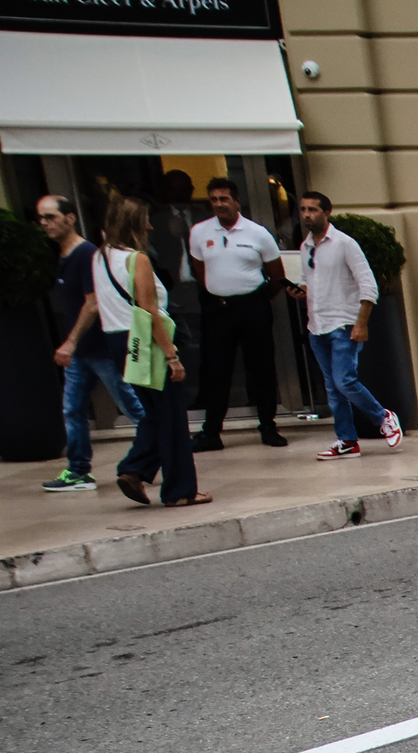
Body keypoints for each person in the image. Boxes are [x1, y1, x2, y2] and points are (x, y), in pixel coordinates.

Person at [95, 193, 203, 507]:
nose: (150, 226)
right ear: (133, 223)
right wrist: (171, 355)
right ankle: (180, 490)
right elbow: (148, 310)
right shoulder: (136, 259)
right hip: (144, 338)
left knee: (154, 413)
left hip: (118, 340)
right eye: (145, 220)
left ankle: (135, 468)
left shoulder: (100, 256)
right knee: (171, 416)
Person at [35, 194, 146, 494]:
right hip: (81, 352)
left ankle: (162, 452)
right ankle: (78, 471)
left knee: (133, 407)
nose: (44, 223)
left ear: (70, 218)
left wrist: (70, 342)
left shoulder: (86, 254)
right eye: (41, 218)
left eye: (50, 217)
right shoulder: (63, 255)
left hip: (98, 348)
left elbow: (93, 302)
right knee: (73, 410)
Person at [292, 190, 401, 460]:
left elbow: (369, 286)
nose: (307, 215)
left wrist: (361, 323)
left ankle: (383, 417)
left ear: (327, 212)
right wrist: (300, 291)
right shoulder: (306, 246)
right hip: (317, 326)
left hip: (343, 324)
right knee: (333, 387)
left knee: (344, 381)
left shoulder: (345, 244)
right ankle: (347, 441)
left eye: (313, 209)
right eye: (303, 209)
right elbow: (311, 282)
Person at [186, 176, 289, 451]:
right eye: (214, 200)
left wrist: (255, 299)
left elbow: (277, 276)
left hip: (253, 307)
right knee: (216, 370)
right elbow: (199, 269)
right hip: (218, 309)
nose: (219, 204)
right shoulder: (199, 232)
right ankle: (211, 432)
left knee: (262, 367)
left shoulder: (257, 233)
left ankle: (268, 426)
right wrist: (219, 290)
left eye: (224, 199)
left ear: (236, 201)